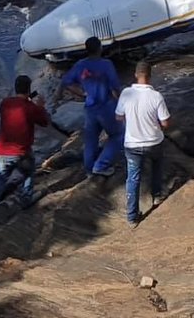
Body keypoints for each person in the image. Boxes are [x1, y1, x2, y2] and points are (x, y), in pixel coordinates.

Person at [0, 75, 50, 225]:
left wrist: (28, 101)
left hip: (1, 151)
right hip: (21, 153)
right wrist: (40, 106)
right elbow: (44, 122)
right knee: (28, 173)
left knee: (0, 179)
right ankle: (26, 198)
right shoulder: (30, 108)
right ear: (29, 89)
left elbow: (16, 108)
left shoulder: (5, 103)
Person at [53, 36, 122, 176]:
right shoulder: (106, 64)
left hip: (90, 107)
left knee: (91, 139)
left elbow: (66, 81)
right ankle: (101, 165)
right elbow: (116, 87)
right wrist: (123, 105)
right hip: (106, 106)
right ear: (100, 48)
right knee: (118, 135)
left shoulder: (80, 65)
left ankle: (89, 168)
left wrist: (80, 94)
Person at [116, 60, 171, 227]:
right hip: (154, 142)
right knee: (157, 166)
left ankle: (132, 217)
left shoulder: (126, 93)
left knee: (133, 179)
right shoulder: (156, 96)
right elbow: (166, 123)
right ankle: (156, 195)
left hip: (132, 145)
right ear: (150, 76)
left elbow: (118, 116)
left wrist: (130, 120)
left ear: (135, 75)